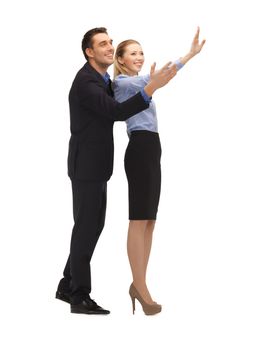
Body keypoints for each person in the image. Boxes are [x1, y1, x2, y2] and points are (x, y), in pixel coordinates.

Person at [55, 27, 178, 315]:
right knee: (86, 227)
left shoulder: (104, 79)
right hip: (86, 165)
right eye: (103, 44)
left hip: (97, 165)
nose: (110, 47)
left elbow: (119, 100)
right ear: (89, 52)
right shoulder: (87, 82)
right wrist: (149, 89)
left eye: (110, 42)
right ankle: (78, 296)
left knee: (92, 226)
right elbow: (116, 112)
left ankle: (67, 283)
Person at [113, 27, 205, 315]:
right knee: (138, 219)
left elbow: (158, 78)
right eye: (133, 53)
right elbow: (161, 76)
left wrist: (185, 58)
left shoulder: (139, 81)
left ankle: (140, 283)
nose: (139, 57)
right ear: (121, 60)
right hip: (139, 148)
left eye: (141, 52)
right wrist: (188, 56)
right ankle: (140, 288)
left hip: (152, 147)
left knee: (149, 219)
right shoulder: (124, 84)